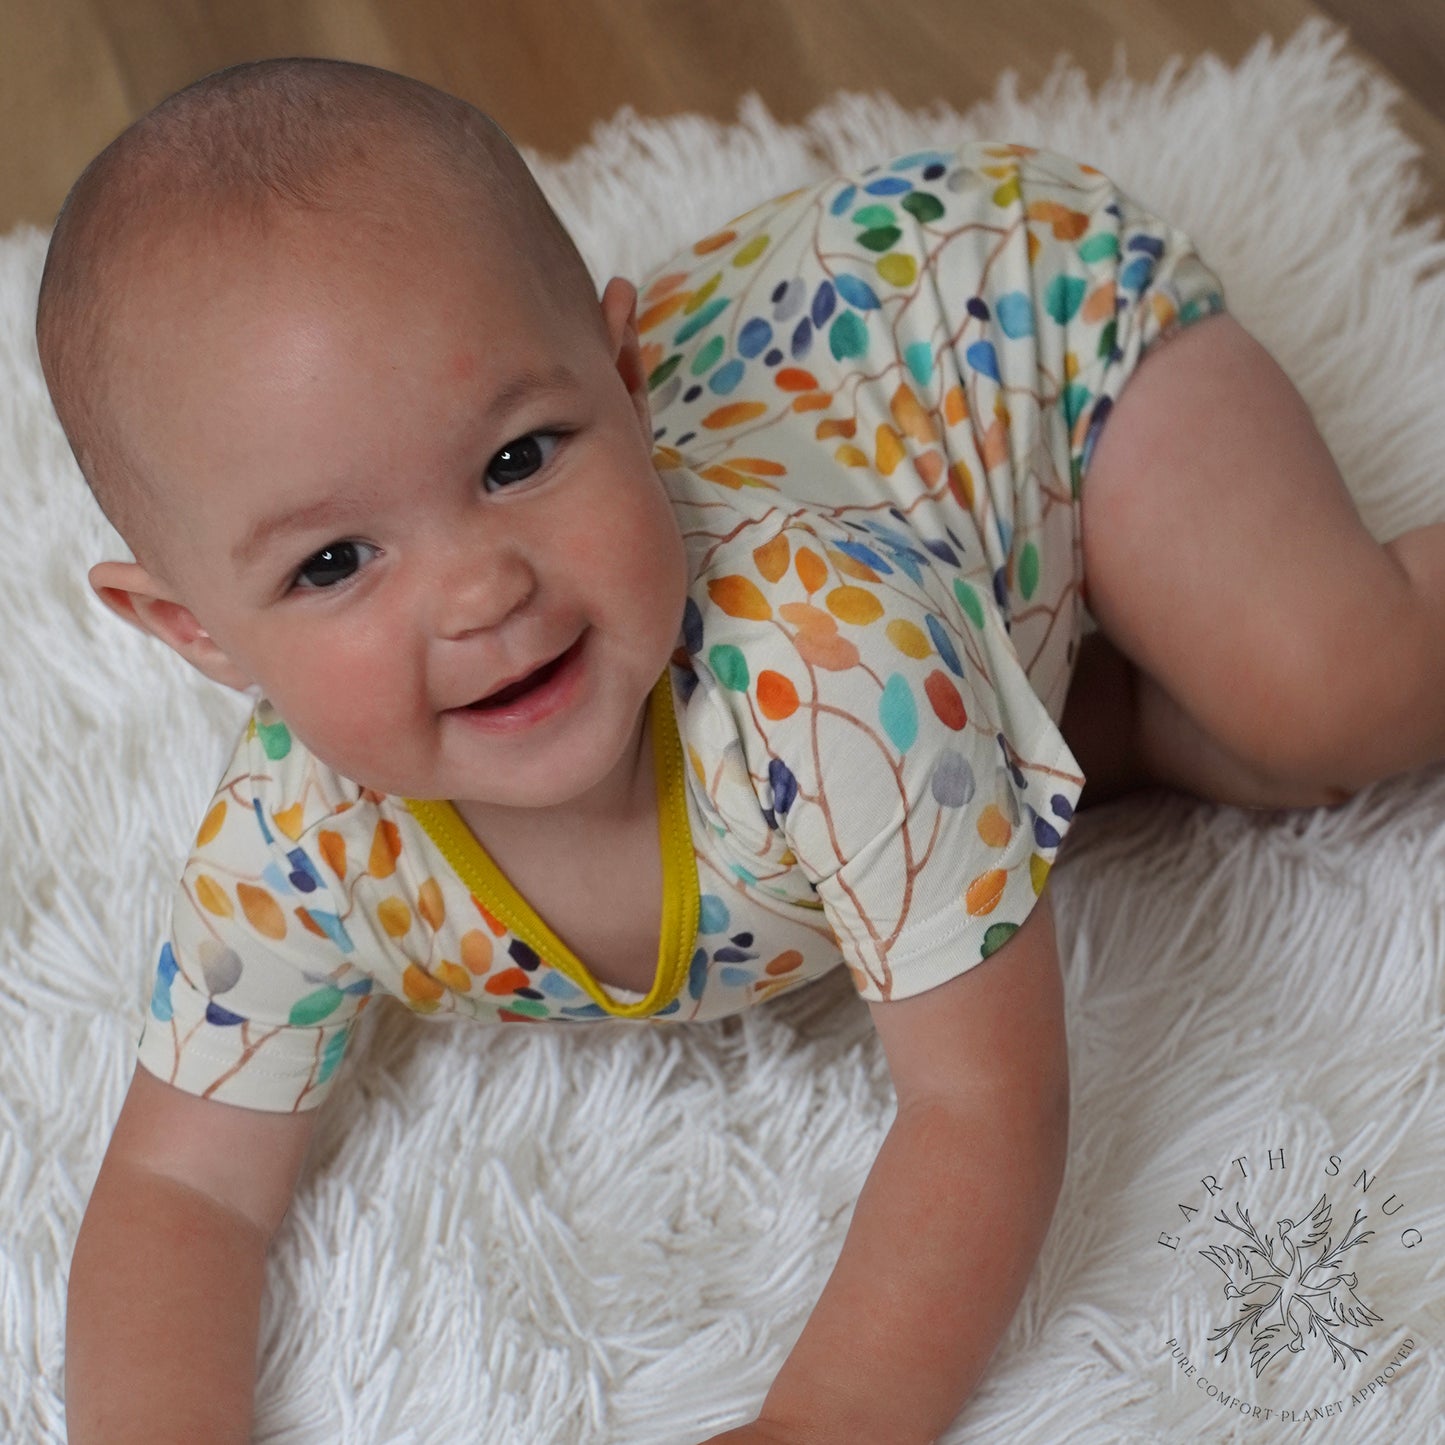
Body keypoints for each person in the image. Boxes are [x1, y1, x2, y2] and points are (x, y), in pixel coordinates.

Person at [37, 56, 1444, 1445]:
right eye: (335, 560)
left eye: (521, 458)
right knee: (1128, 756)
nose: (481, 591)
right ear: (192, 631)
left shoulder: (822, 662)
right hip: (877, 486)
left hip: (995, 322)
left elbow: (981, 1097)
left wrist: (822, 1417)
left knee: (1319, 692)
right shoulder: (298, 841)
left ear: (624, 383)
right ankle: (1068, 699)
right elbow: (187, 1188)